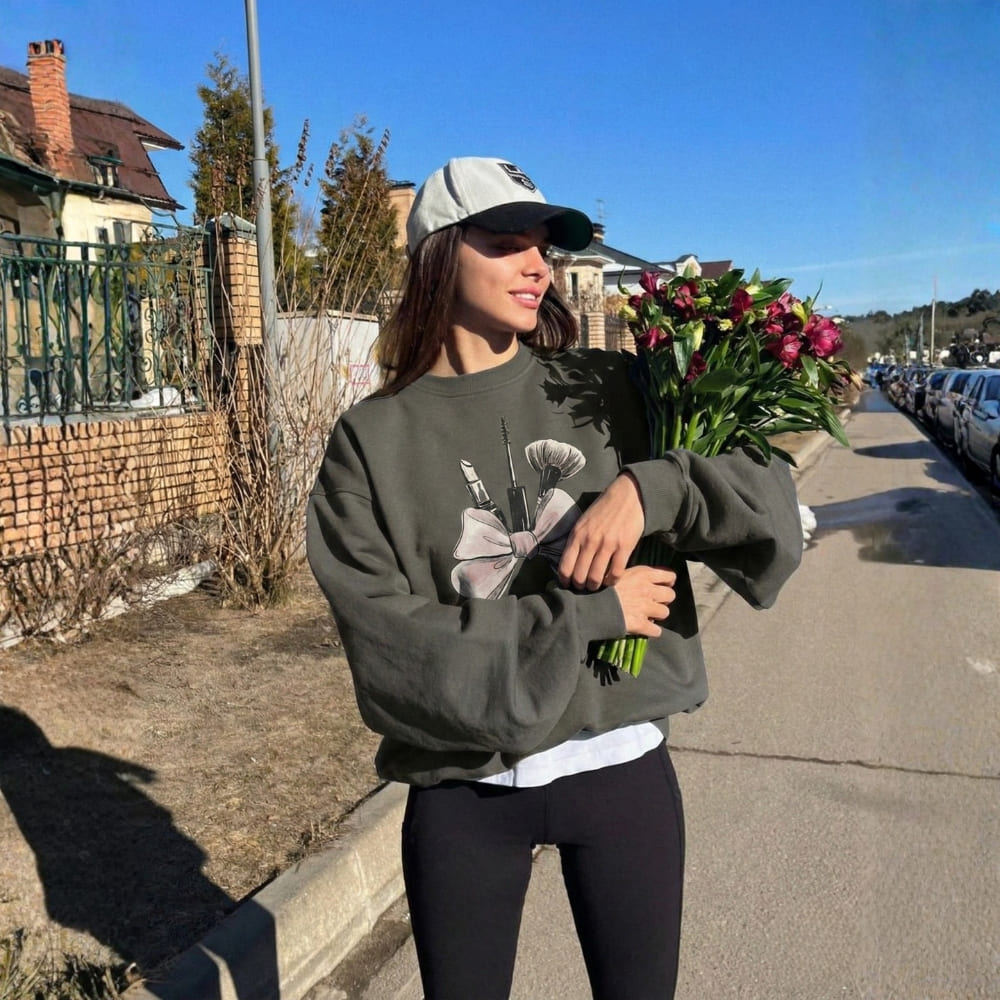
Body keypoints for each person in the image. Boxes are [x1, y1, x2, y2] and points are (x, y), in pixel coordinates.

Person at [307, 156, 803, 1000]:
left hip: (622, 771)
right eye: (507, 244)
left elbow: (770, 501)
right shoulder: (371, 440)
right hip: (464, 790)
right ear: (438, 257)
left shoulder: (607, 388)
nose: (538, 265)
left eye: (543, 245)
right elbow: (390, 646)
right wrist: (586, 618)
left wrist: (652, 490)